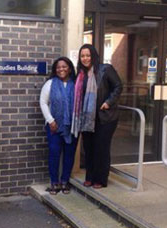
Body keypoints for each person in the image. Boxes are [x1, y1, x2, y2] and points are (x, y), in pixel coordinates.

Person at [71, 44, 123, 189]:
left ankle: (100, 179)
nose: (85, 58)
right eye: (82, 56)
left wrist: (108, 102)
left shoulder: (105, 69)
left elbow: (118, 86)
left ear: (94, 56)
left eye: (88, 55)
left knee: (101, 148)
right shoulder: (80, 74)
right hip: (86, 118)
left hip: (105, 118)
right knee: (88, 149)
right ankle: (90, 177)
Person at [40, 57, 78, 195]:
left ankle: (65, 181)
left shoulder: (75, 84)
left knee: (69, 154)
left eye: (64, 66)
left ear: (69, 68)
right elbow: (43, 103)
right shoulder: (50, 84)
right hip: (53, 127)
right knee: (54, 154)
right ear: (55, 70)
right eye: (58, 67)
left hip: (71, 126)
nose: (61, 69)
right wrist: (50, 120)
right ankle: (54, 182)